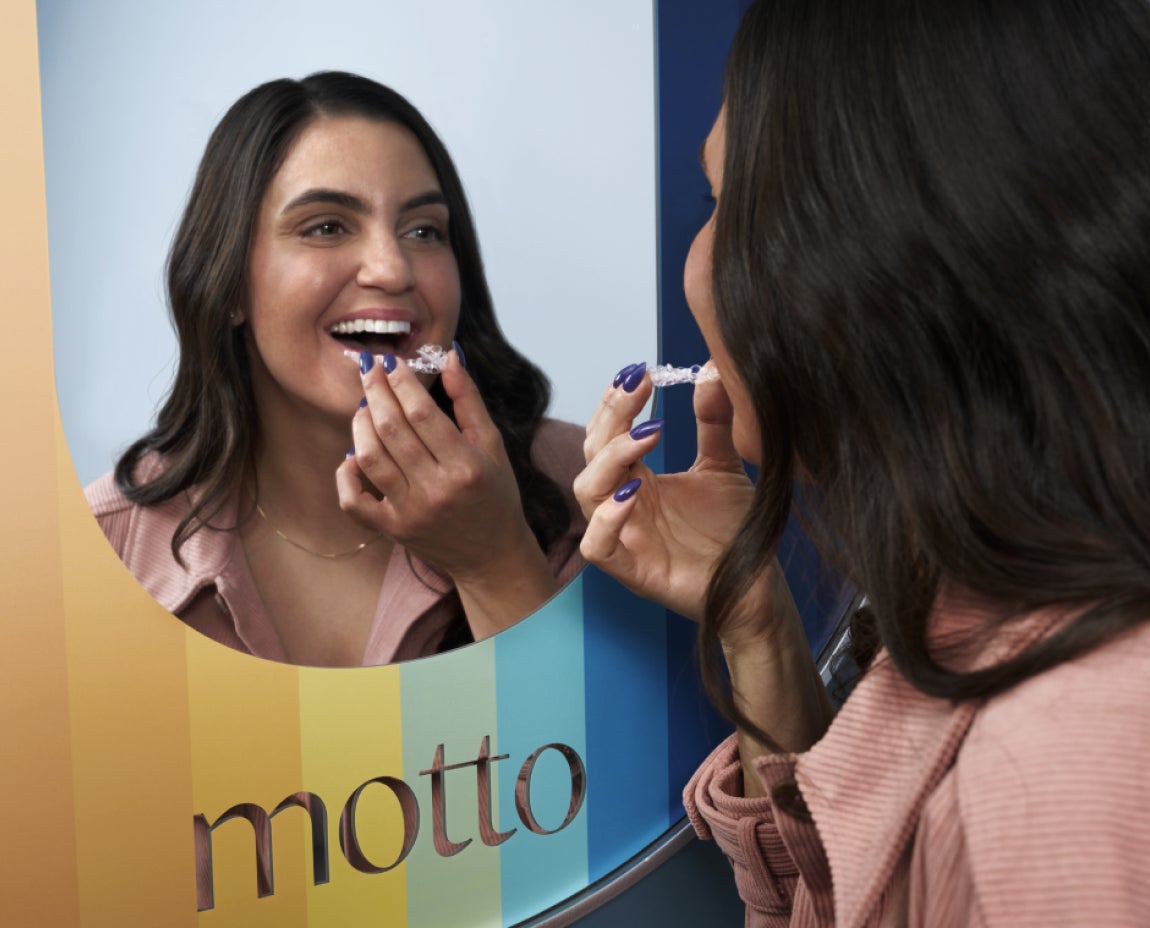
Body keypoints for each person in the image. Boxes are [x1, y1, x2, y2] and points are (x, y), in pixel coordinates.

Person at [576, 0, 1150, 924]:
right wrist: (754, 620)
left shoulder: (1055, 777)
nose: (694, 264)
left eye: (723, 205)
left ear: (875, 245)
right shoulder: (978, 615)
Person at [86, 71, 585, 666]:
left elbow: (608, 754)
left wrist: (495, 561)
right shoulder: (98, 548)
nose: (392, 269)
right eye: (326, 226)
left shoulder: (590, 493)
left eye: (424, 231)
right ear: (228, 286)